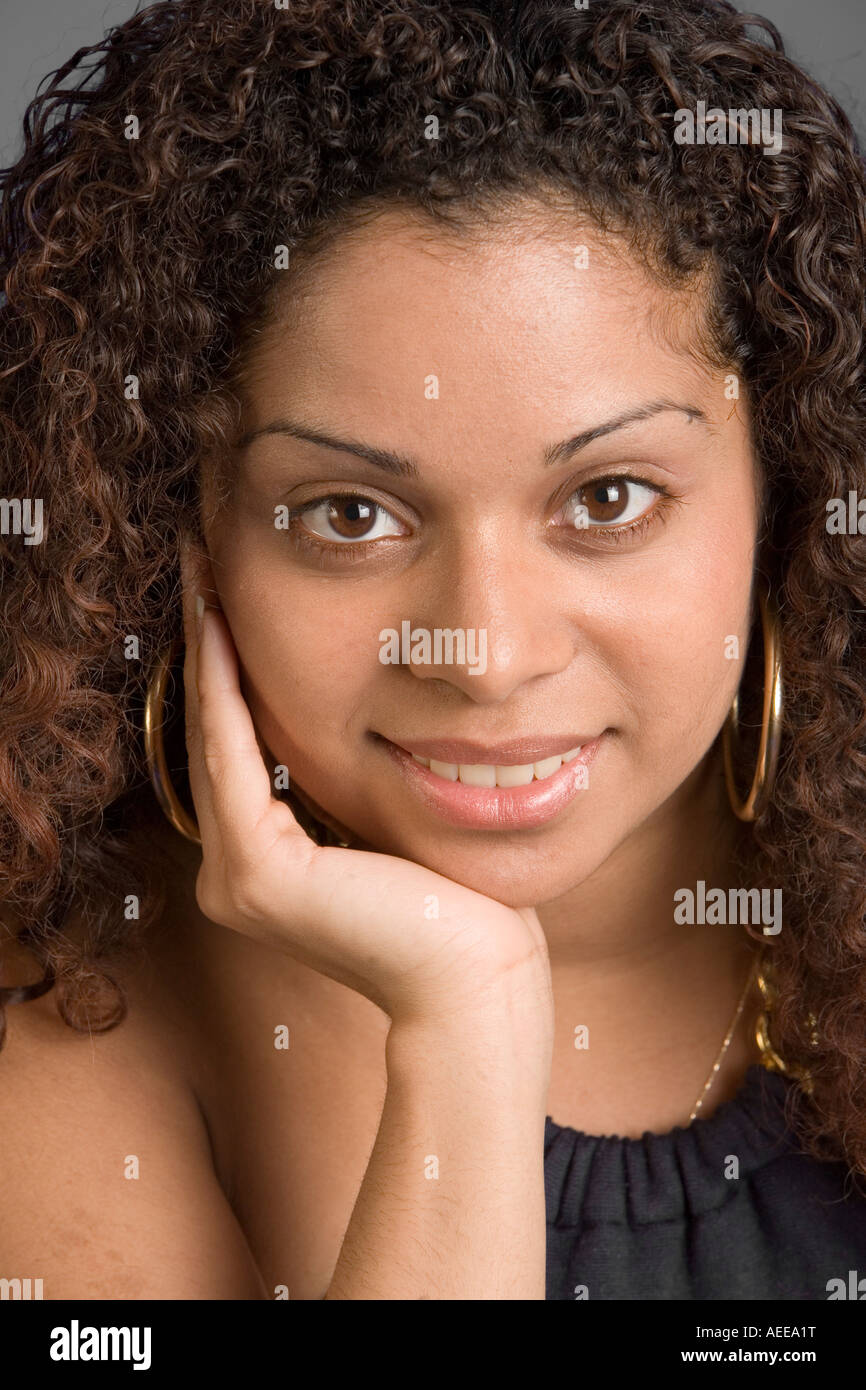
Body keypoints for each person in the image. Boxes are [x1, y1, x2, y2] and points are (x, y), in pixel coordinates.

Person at [1, 0, 865, 1301]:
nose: (486, 651)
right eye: (349, 514)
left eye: (607, 499)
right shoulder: (70, 1019)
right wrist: (463, 1023)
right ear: (182, 532)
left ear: (779, 501)